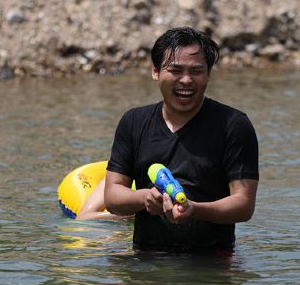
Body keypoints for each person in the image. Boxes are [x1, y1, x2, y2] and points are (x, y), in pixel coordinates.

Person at [103, 27, 259, 252]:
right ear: (155, 72)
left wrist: (195, 210)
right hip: (145, 259)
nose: (186, 80)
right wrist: (145, 198)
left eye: (196, 71)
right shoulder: (133, 122)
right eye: (175, 70)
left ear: (208, 75)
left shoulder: (233, 125)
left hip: (212, 262)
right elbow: (112, 195)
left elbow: (244, 205)